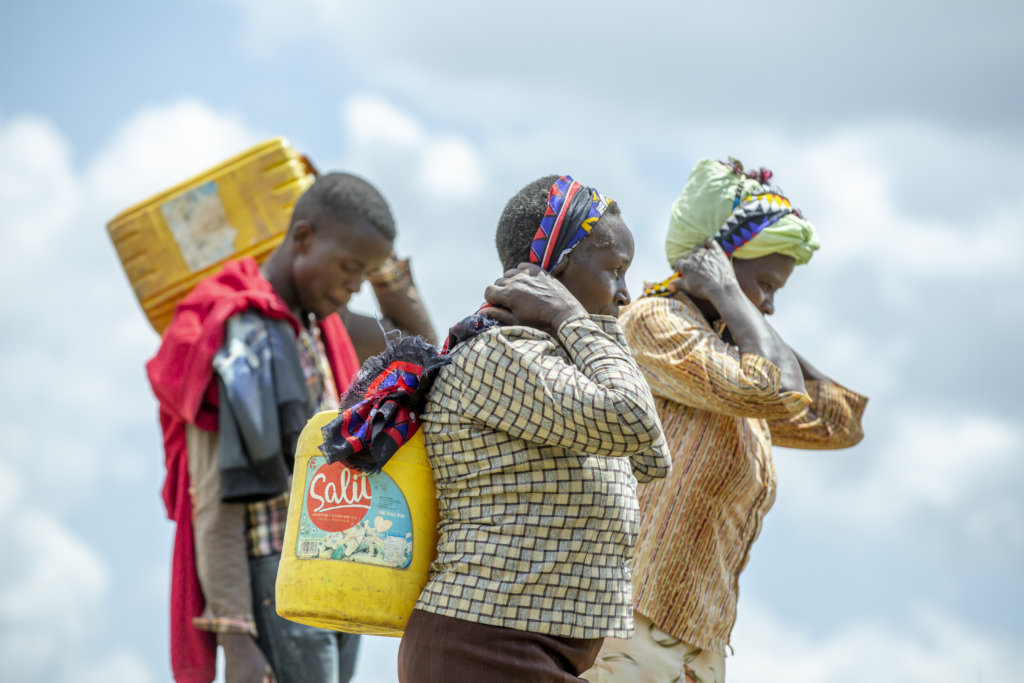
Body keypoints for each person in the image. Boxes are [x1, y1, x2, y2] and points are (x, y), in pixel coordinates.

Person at [582, 158, 868, 683]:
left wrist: (740, 309)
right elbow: (772, 390)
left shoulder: (731, 357)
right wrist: (735, 300)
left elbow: (837, 421)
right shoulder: (655, 324)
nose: (770, 305)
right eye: (765, 284)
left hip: (696, 639)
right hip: (629, 628)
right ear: (714, 263)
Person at [147, 172, 431, 683]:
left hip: (336, 560)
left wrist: (381, 263)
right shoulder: (243, 336)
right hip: (274, 572)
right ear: (302, 238)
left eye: (364, 277)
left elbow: (420, 353)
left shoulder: (321, 326)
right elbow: (214, 492)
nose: (354, 288)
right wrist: (236, 635)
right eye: (349, 269)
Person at [388, 174, 671, 682]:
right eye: (615, 270)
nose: (626, 294)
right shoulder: (502, 355)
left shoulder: (562, 360)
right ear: (555, 270)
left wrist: (584, 327)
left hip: (528, 647)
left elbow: (654, 457)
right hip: (484, 645)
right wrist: (569, 315)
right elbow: (632, 419)